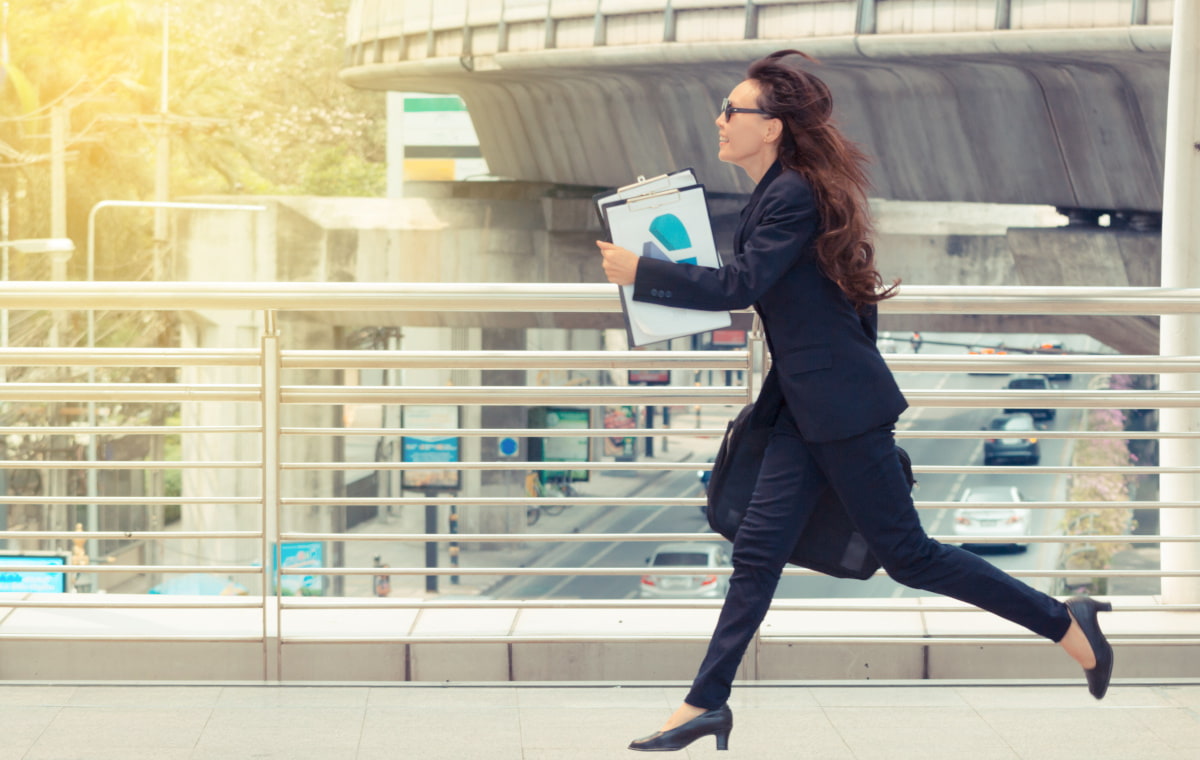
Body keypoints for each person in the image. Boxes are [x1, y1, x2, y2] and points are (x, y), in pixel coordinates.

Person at [597, 50, 1113, 753]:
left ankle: (1066, 622)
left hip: (837, 407)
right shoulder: (778, 191)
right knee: (755, 553)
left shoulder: (793, 195)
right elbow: (800, 290)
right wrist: (652, 226)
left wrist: (641, 271)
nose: (718, 121)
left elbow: (738, 287)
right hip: (803, 406)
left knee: (910, 556)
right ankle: (704, 703)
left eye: (731, 111)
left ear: (772, 126)